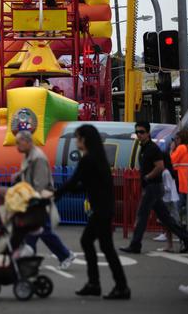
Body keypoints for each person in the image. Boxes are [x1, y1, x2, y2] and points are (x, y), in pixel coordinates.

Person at [55, 124, 130, 300]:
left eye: (77, 137)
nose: (76, 141)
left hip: (102, 209)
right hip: (103, 208)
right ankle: (96, 284)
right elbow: (85, 185)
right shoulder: (97, 158)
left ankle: (119, 286)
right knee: (92, 242)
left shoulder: (88, 159)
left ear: (84, 139)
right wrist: (67, 191)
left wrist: (53, 195)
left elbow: (73, 182)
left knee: (102, 246)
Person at [120, 121, 188, 254]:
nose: (139, 135)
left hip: (153, 187)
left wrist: (147, 177)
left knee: (142, 216)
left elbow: (160, 166)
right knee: (166, 218)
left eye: (142, 132)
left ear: (148, 133)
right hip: (153, 187)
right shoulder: (145, 148)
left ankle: (135, 245)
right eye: (137, 132)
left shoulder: (152, 148)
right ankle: (186, 238)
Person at [13, 130, 76, 269]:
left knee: (41, 230)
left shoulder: (38, 157)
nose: (16, 145)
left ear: (27, 141)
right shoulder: (29, 155)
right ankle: (32, 260)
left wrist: (29, 200)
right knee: (36, 230)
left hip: (39, 200)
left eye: (18, 142)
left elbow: (40, 184)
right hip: (34, 199)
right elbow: (29, 174)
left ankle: (65, 255)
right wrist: (19, 175)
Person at [171, 130, 188, 222]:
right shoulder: (187, 148)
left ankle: (172, 229)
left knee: (176, 206)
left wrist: (172, 149)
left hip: (181, 181)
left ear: (181, 138)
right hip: (185, 181)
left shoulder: (181, 148)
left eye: (176, 138)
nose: (175, 141)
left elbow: (171, 160)